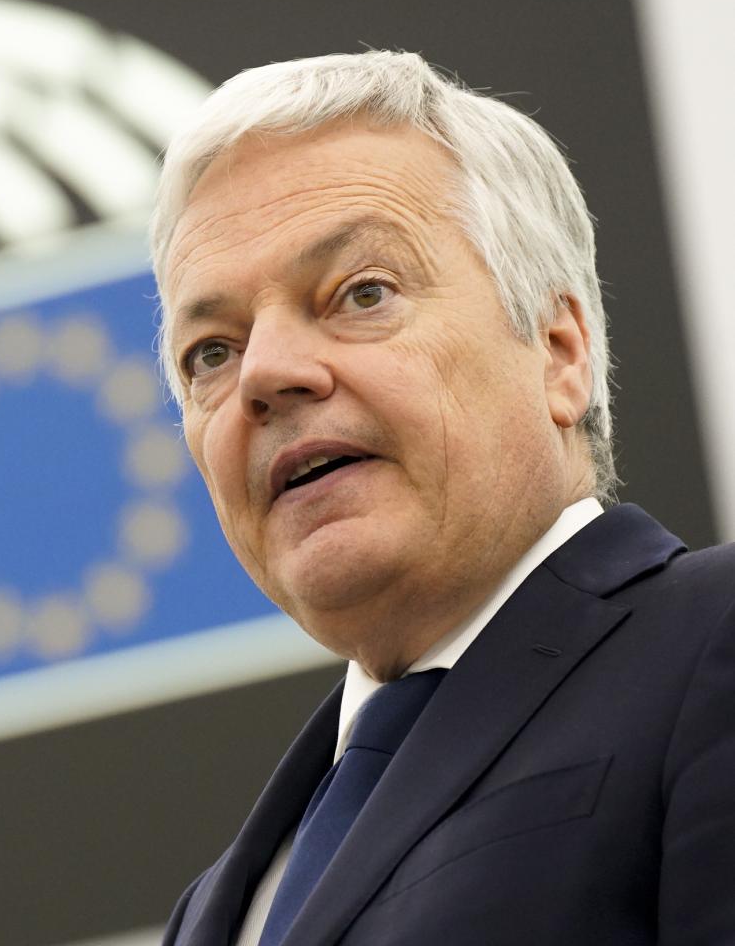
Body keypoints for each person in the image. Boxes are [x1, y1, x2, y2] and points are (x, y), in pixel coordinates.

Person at [149, 50, 735, 946]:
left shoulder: (713, 641)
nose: (264, 373)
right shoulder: (215, 910)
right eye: (213, 353)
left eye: (361, 293)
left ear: (559, 351)